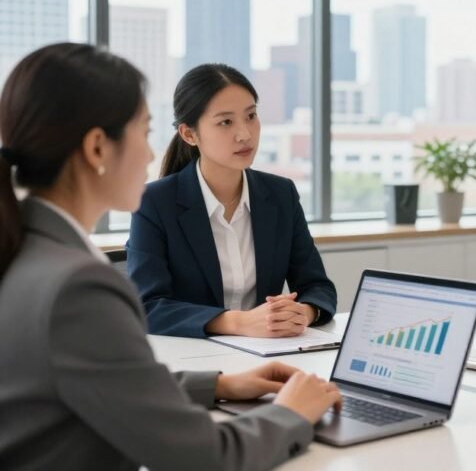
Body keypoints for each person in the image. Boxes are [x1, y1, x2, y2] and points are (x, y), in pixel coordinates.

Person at [0, 43, 341, 470]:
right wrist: (291, 413)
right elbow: (207, 457)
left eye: (251, 116)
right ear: (96, 149)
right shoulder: (77, 285)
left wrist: (219, 385)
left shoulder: (28, 251)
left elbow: (104, 380)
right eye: (143, 132)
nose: (148, 154)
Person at [127, 64, 337, 338]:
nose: (245, 134)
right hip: (193, 364)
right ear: (189, 134)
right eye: (226, 122)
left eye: (251, 116)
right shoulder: (153, 203)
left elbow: (318, 286)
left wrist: (304, 312)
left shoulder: (280, 195)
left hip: (267, 354)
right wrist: (236, 322)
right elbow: (148, 307)